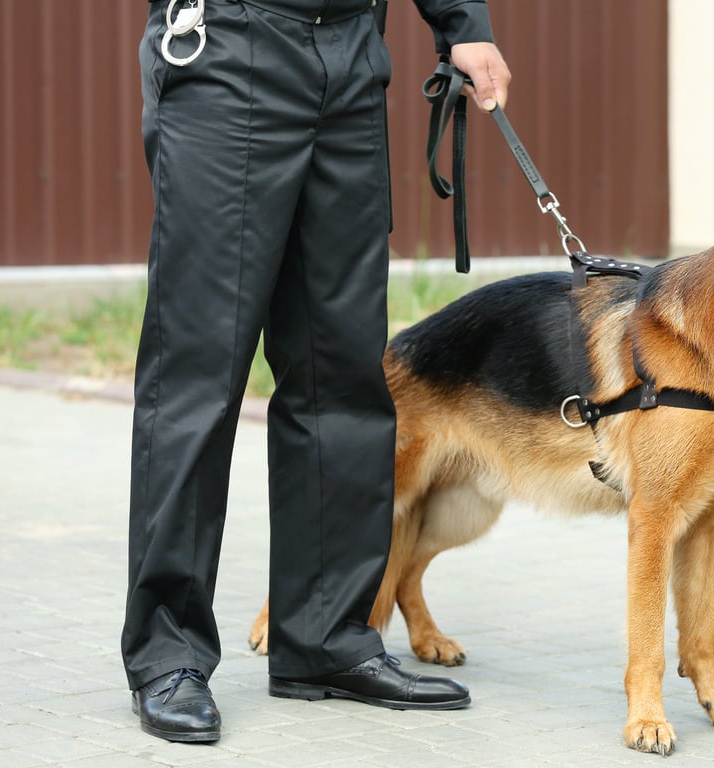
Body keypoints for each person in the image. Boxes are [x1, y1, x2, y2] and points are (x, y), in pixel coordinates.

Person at [124, 0, 511, 743]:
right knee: (197, 375)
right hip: (228, 50)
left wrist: (464, 24)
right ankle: (166, 653)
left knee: (343, 372)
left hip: (351, 56)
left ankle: (326, 638)